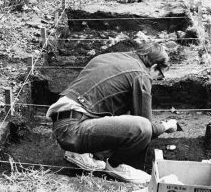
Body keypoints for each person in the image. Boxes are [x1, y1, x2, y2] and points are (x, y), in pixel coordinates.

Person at [46, 42, 178, 184]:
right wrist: (166, 125)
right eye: (160, 75)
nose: (159, 80)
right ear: (153, 66)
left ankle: (85, 153)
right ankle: (115, 165)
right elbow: (146, 126)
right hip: (74, 129)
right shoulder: (141, 74)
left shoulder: (108, 58)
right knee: (142, 128)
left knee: (126, 116)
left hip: (64, 121)